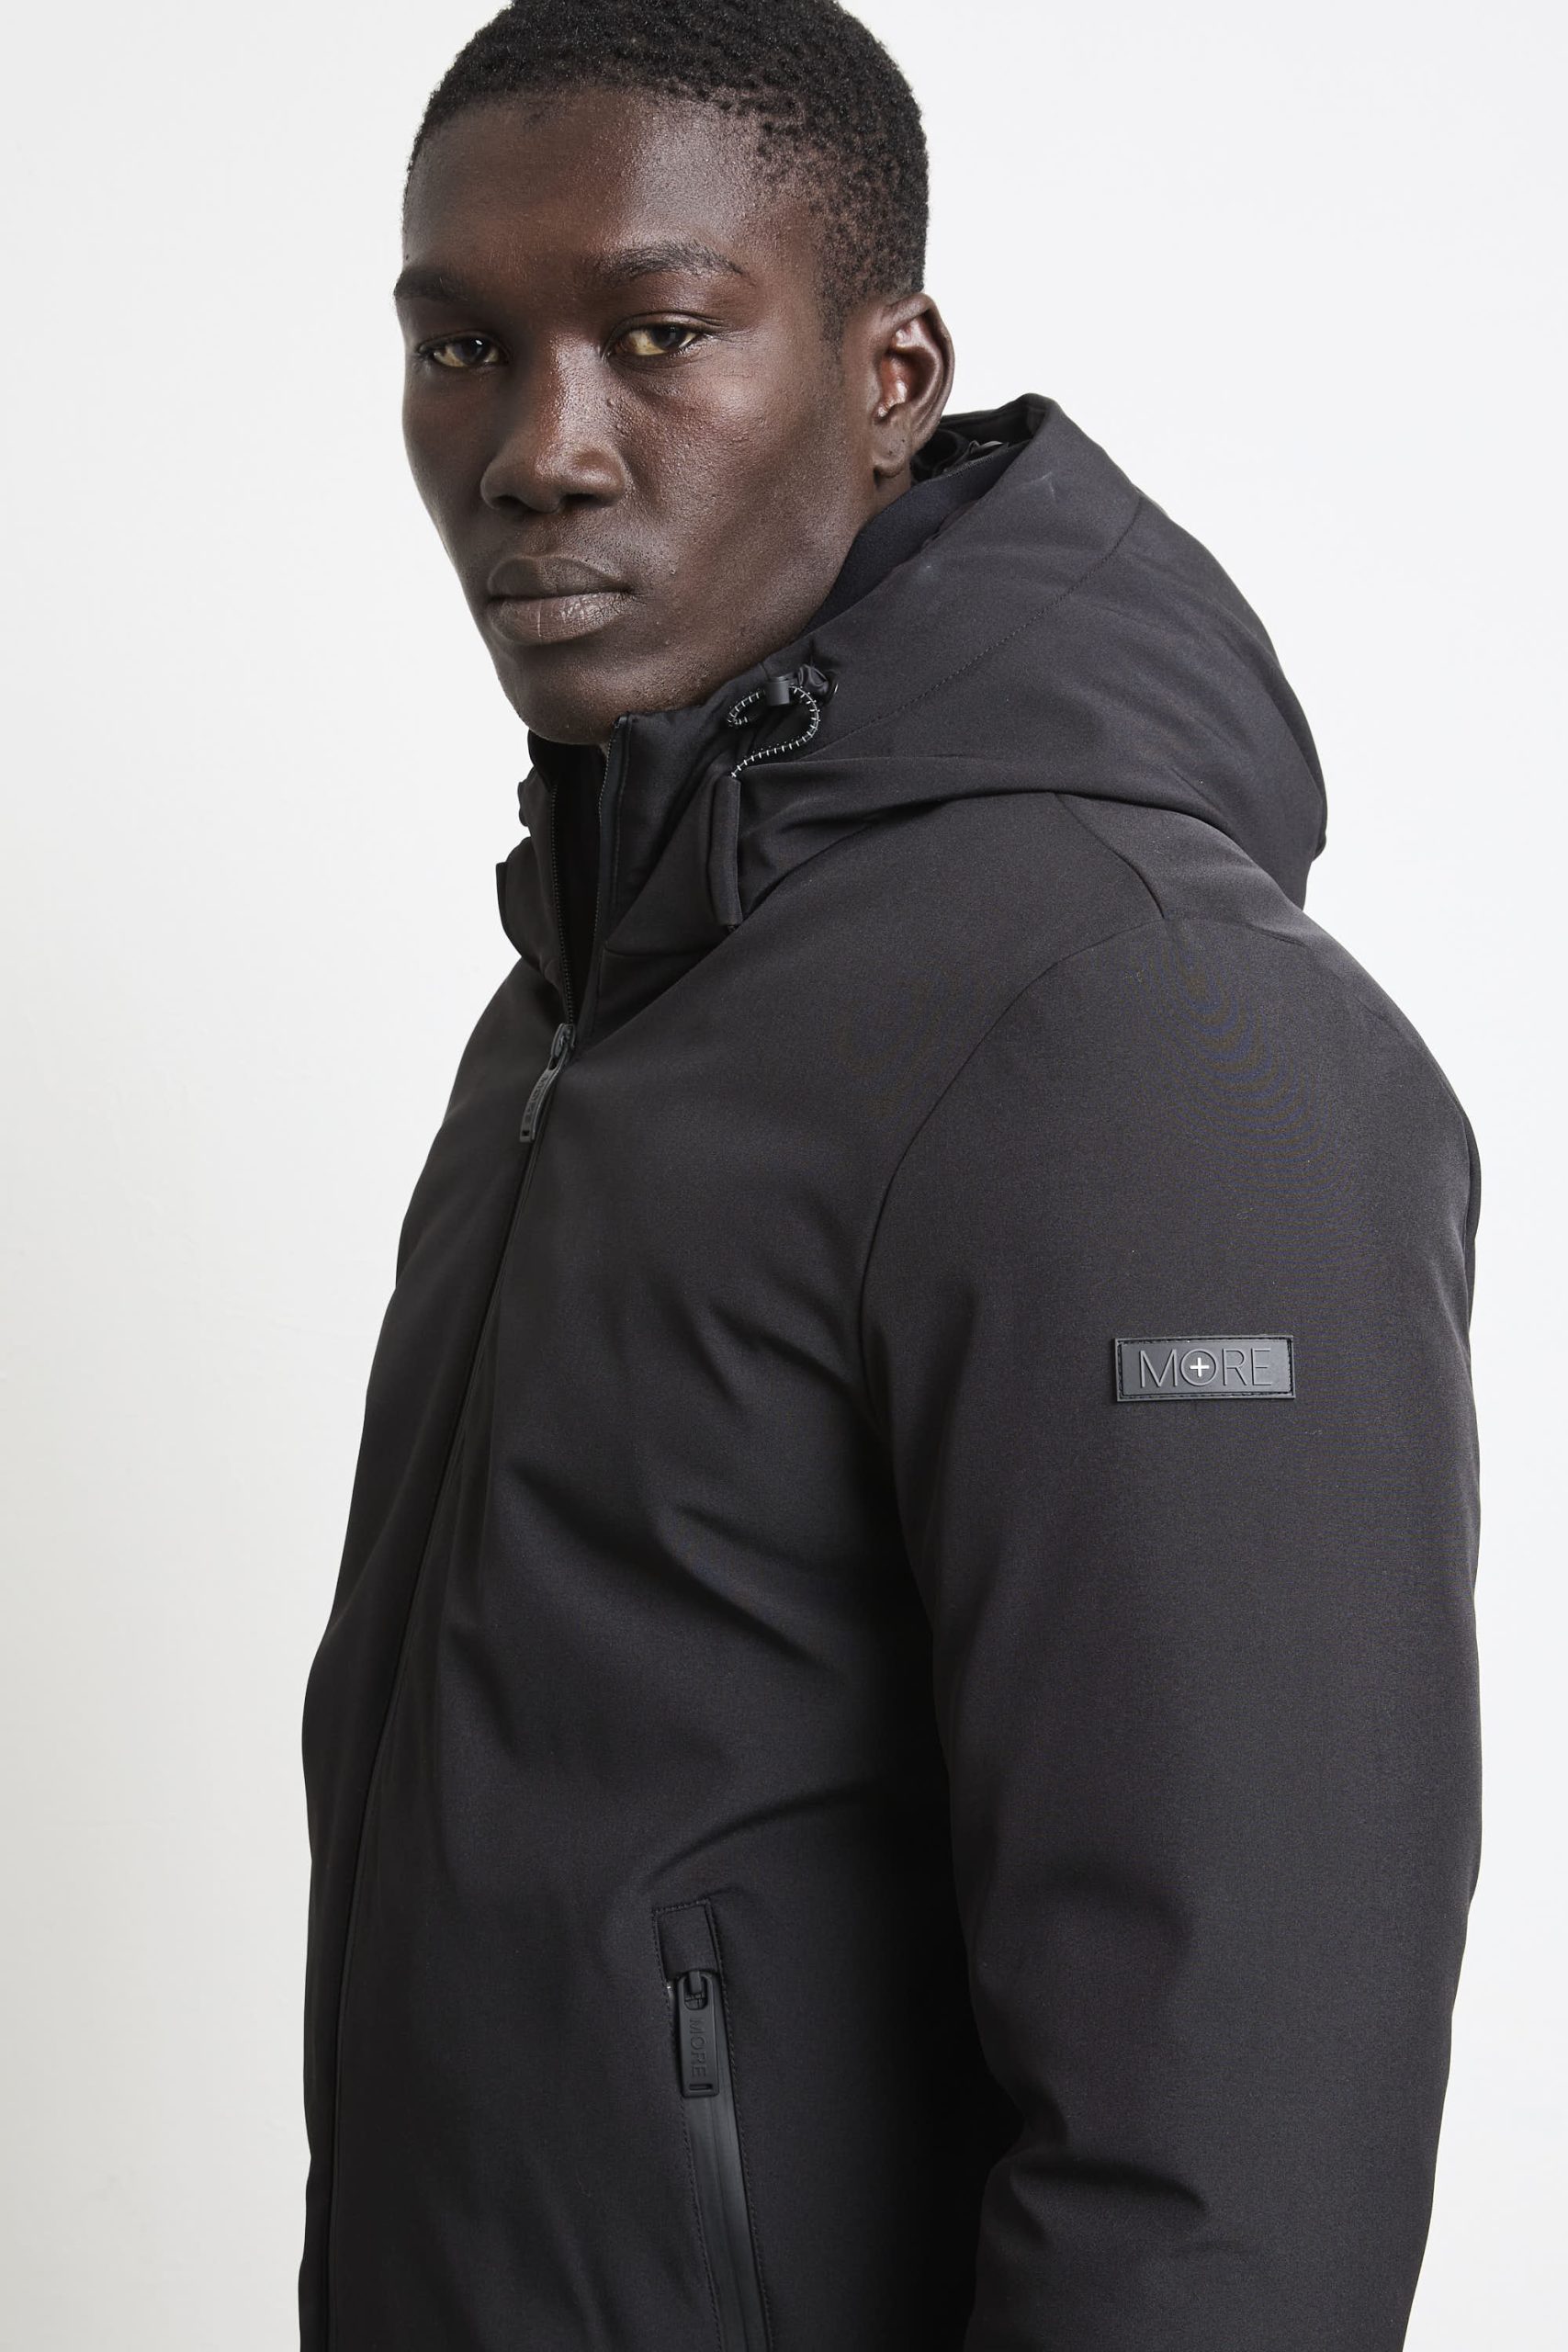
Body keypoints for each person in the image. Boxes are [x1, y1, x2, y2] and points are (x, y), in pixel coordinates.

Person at [299, 4, 1483, 2346]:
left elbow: (1235, 2140)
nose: (537, 451)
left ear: (888, 375)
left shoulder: (1133, 1024)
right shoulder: (580, 1011)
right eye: (460, 347)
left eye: (659, 334)